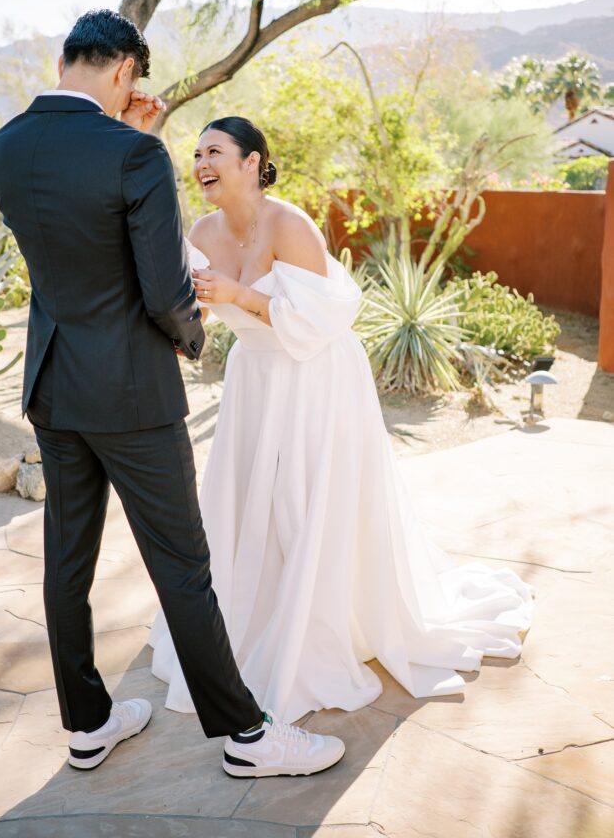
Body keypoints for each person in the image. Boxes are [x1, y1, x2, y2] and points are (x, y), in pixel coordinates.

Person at [0, 11, 345, 779]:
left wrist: (136, 137)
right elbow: (161, 285)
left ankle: (87, 724)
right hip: (133, 396)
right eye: (134, 82)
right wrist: (194, 336)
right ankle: (248, 738)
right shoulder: (134, 154)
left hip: (53, 384)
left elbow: (72, 250)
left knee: (65, 563)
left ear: (66, 58)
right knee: (181, 565)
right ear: (124, 71)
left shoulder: (3, 147)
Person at [149, 115, 534, 722]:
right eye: (196, 154)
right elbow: (194, 307)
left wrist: (239, 295)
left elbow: (325, 319)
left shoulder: (291, 224)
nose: (200, 164)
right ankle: (258, 616)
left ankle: (322, 623)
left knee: (309, 502)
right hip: (257, 379)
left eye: (214, 152)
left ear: (252, 162)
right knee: (255, 500)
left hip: (318, 376)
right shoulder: (199, 230)